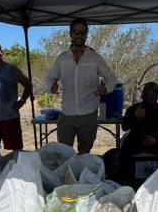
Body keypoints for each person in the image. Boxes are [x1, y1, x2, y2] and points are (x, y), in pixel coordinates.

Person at [46, 18, 117, 154]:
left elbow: (111, 78)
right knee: (64, 153)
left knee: (84, 154)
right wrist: (52, 86)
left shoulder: (95, 58)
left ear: (86, 34)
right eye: (76, 32)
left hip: (88, 114)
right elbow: (50, 78)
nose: (80, 35)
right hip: (67, 114)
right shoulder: (62, 58)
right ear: (70, 34)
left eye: (83, 32)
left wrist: (106, 88)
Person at [119, 81, 158, 181]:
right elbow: (124, 127)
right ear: (143, 94)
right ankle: (126, 181)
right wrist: (135, 117)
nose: (150, 96)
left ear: (157, 95)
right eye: (148, 93)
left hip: (154, 143)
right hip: (135, 142)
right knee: (123, 152)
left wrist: (156, 141)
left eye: (153, 93)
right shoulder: (133, 109)